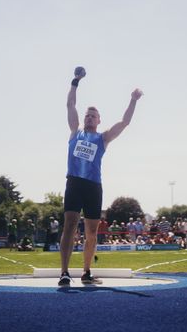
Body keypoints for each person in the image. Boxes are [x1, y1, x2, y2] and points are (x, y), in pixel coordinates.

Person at [58, 68, 143, 286]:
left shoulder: (103, 138)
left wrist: (133, 100)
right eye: (87, 114)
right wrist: (75, 82)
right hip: (74, 182)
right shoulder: (74, 131)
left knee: (92, 231)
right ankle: (65, 272)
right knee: (69, 225)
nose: (88, 117)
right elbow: (70, 105)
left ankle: (86, 272)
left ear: (98, 120)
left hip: (93, 186)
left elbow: (124, 122)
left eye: (93, 116)